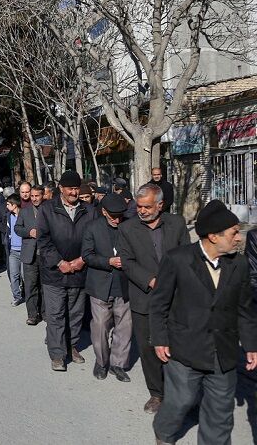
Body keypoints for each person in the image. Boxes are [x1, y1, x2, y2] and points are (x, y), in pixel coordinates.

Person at [151, 200, 257, 445]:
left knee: (221, 414)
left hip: (224, 351)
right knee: (180, 401)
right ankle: (164, 432)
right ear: (212, 236)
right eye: (233, 234)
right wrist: (159, 339)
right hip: (184, 348)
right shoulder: (177, 259)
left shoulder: (238, 264)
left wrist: (251, 345)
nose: (239, 239)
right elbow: (159, 304)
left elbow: (245, 309)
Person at [118, 183, 190, 414]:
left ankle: (181, 393)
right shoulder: (127, 229)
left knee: (178, 348)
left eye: (147, 206)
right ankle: (157, 394)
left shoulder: (177, 223)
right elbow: (127, 263)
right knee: (149, 349)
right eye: (139, 206)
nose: (142, 210)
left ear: (160, 204)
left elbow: (187, 255)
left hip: (177, 298)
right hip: (144, 299)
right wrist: (151, 280)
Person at [37, 170, 98, 372]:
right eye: (70, 188)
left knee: (75, 313)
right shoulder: (47, 209)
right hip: (54, 273)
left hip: (80, 271)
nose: (74, 193)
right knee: (55, 314)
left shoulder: (89, 210)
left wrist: (83, 259)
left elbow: (95, 239)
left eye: (76, 188)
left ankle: (71, 346)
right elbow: (43, 241)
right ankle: (57, 354)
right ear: (61, 189)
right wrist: (59, 262)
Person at [81, 192, 132, 382]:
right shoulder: (92, 228)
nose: (117, 220)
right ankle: (102, 362)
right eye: (113, 215)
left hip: (124, 285)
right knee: (100, 327)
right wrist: (108, 261)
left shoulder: (129, 226)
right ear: (104, 212)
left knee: (125, 327)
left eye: (120, 215)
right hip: (100, 286)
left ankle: (118, 364)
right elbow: (87, 255)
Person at [14, 184, 45, 325]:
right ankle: (32, 314)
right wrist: (28, 232)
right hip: (29, 255)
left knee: (45, 286)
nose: (33, 198)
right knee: (30, 285)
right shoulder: (24, 211)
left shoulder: (49, 210)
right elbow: (17, 228)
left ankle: (44, 312)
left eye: (36, 196)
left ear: (42, 195)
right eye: (32, 196)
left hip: (46, 255)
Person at [4, 193, 25, 306]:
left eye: (8, 204)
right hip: (13, 250)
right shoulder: (8, 216)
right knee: (13, 275)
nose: (6, 206)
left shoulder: (24, 215)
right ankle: (17, 296)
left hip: (24, 250)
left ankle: (28, 295)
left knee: (24, 276)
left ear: (14, 205)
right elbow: (7, 231)